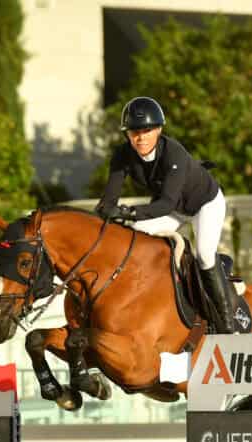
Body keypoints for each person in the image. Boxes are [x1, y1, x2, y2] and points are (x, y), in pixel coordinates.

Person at [95, 96, 237, 334]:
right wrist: (102, 215)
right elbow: (108, 200)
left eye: (147, 131)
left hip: (204, 203)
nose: (140, 138)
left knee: (204, 255)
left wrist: (128, 212)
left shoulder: (174, 153)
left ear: (159, 130)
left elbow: (165, 203)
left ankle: (226, 323)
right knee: (135, 235)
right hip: (174, 209)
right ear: (127, 134)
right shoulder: (122, 156)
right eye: (134, 132)